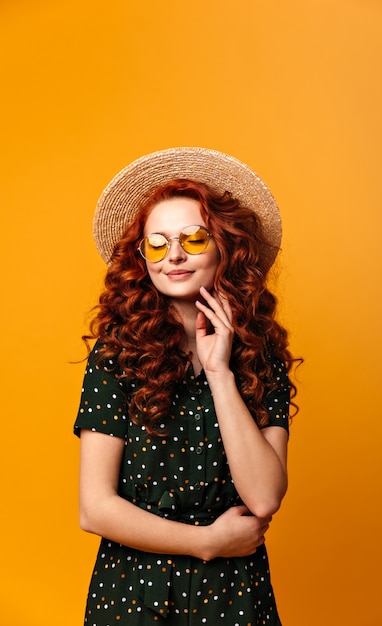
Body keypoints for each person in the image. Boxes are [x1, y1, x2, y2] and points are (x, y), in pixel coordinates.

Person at [74, 147, 299, 626]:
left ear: (226, 247)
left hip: (234, 597)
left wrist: (220, 374)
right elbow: (95, 508)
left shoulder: (260, 356)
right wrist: (207, 543)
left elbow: (263, 498)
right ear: (142, 259)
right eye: (156, 244)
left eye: (193, 239)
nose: (173, 255)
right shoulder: (116, 355)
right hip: (133, 593)